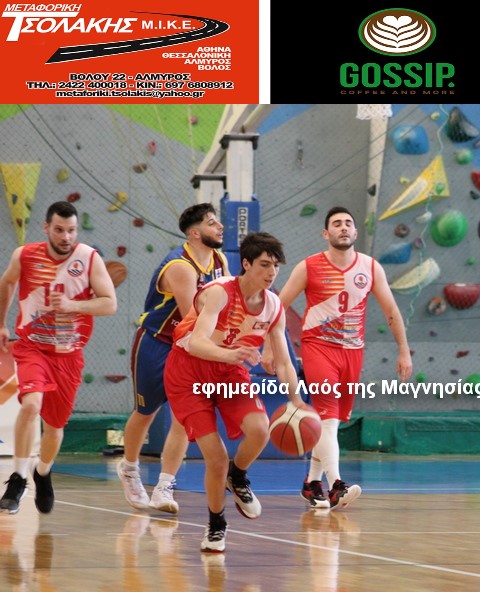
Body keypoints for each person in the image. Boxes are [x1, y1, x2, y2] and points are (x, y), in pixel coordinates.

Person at [164, 231, 308, 552]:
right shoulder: (220, 292)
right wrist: (230, 354)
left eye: (276, 266)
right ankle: (216, 524)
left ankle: (238, 475)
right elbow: (198, 342)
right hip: (188, 372)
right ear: (246, 264)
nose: (272, 272)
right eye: (265, 265)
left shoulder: (273, 306)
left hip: (229, 371)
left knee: (260, 430)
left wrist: (297, 401)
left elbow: (284, 361)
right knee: (215, 458)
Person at [278, 206, 412, 510]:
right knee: (327, 420)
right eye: (336, 223)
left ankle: (312, 484)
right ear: (326, 233)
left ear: (355, 232)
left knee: (331, 424)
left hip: (352, 352)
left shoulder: (371, 267)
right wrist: (272, 347)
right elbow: (279, 306)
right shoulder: (308, 267)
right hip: (318, 348)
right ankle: (336, 485)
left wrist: (403, 350)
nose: (343, 227)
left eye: (348, 223)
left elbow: (391, 311)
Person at [0, 201, 117, 515]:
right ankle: (18, 479)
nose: (66, 236)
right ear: (46, 228)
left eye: (71, 230)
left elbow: (109, 304)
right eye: (59, 230)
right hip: (33, 347)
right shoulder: (25, 255)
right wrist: (1, 323)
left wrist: (71, 305)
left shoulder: (89, 258)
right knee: (31, 405)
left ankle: (42, 472)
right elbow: (7, 282)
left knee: (54, 427)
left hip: (68, 354)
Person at [117, 203, 228, 514]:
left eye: (217, 221)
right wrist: (224, 347)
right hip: (158, 342)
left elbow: (227, 303)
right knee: (146, 412)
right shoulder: (180, 266)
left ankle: (164, 486)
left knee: (183, 416)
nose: (219, 226)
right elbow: (192, 315)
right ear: (194, 233)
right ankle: (129, 468)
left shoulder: (219, 260)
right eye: (211, 222)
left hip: (190, 345)